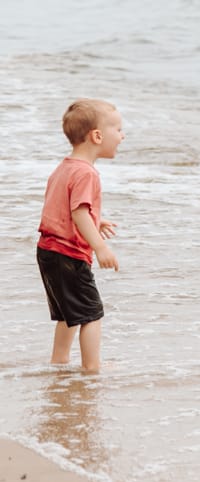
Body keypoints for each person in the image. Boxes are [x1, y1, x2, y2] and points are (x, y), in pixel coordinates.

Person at [36, 99, 125, 373]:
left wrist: (96, 220)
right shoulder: (87, 173)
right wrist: (100, 247)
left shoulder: (64, 167)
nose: (121, 136)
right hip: (69, 253)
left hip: (48, 250)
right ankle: (91, 368)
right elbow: (78, 213)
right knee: (91, 313)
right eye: (119, 130)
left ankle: (60, 360)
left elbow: (63, 208)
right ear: (97, 136)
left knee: (67, 313)